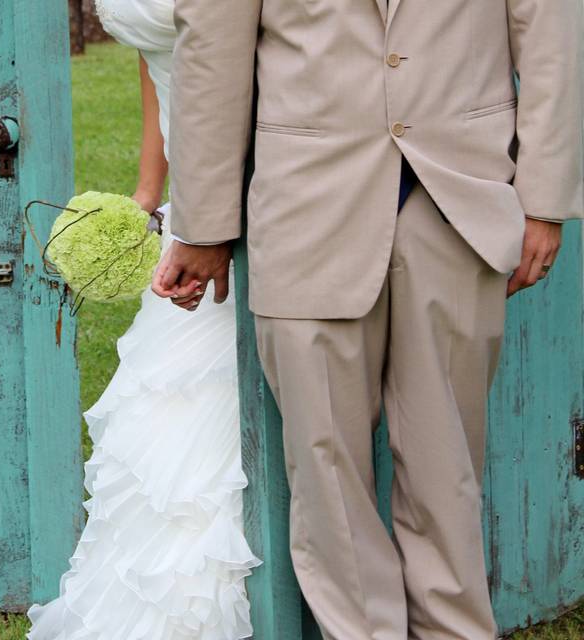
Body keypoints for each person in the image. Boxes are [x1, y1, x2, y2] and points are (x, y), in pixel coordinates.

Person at [153, 0, 584, 638]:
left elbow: (552, 28)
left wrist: (545, 199)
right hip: (306, 206)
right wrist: (205, 225)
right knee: (325, 472)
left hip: (459, 201)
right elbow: (212, 51)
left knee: (448, 466)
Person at [25, 0, 262, 637]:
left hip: (262, 184)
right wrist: (148, 190)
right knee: (164, 401)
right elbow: (154, 66)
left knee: (223, 402)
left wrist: (225, 210)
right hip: (191, 199)